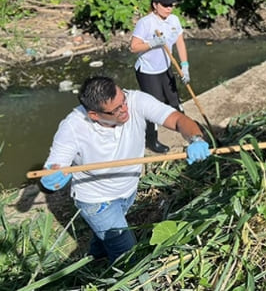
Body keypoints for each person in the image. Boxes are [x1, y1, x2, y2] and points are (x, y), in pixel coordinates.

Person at [39, 76, 210, 264]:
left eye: (123, 102)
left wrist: (195, 139)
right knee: (128, 256)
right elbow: (57, 164)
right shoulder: (73, 127)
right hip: (97, 201)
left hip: (128, 190)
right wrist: (53, 176)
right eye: (116, 110)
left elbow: (177, 119)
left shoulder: (135, 100)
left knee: (106, 236)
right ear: (94, 115)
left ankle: (96, 256)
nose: (125, 110)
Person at [129, 0, 190, 153]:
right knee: (153, 105)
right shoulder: (146, 23)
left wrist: (185, 66)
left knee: (173, 99)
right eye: (165, 5)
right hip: (148, 71)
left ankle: (187, 129)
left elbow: (180, 43)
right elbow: (133, 47)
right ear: (155, 5)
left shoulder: (174, 20)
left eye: (171, 4)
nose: (169, 8)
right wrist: (152, 43)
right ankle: (151, 140)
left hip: (166, 66)